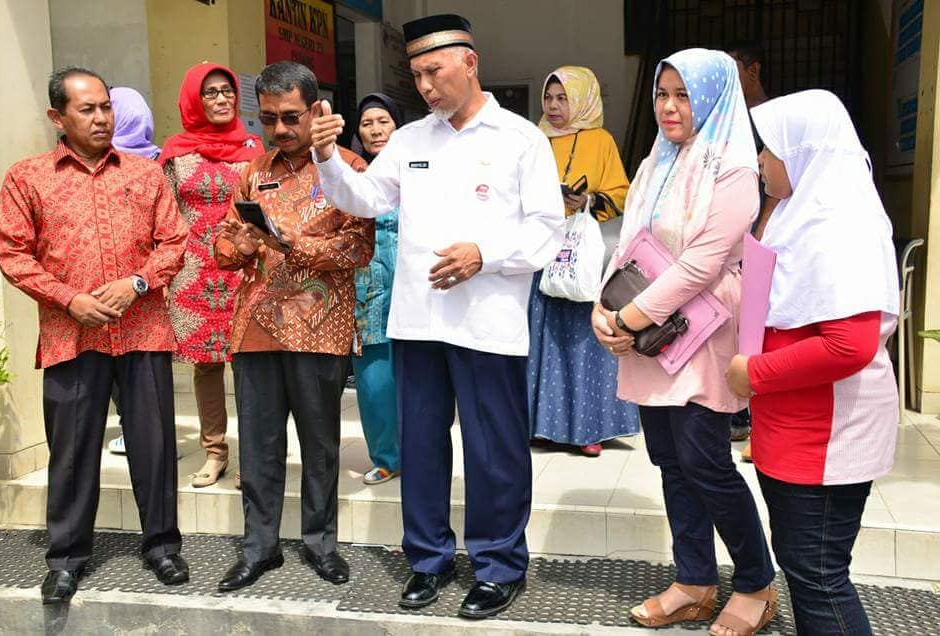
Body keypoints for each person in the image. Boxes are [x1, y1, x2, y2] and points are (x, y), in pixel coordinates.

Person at [310, 14, 564, 620]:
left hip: (488, 323)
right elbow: (366, 198)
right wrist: (327, 158)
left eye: (434, 71)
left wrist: (486, 255)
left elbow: (548, 230)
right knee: (422, 448)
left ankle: (498, 565)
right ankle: (428, 560)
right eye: (416, 74)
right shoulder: (411, 140)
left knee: (493, 449)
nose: (424, 86)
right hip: (419, 323)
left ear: (469, 63)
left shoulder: (519, 138)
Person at [591, 49, 776, 633]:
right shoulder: (657, 159)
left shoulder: (734, 168)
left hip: (700, 333)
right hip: (652, 335)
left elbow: (703, 261)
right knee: (670, 462)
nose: (670, 107)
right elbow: (629, 241)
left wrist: (630, 318)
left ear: (716, 96)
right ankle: (694, 580)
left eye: (684, 95)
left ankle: (755, 583)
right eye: (662, 94)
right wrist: (604, 305)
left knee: (707, 462)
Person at [0, 67, 189, 604]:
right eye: (88, 109)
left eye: (106, 106)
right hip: (70, 336)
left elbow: (174, 240)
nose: (102, 117)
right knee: (73, 451)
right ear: (57, 116)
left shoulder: (146, 175)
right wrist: (68, 298)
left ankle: (163, 547)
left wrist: (138, 282)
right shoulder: (27, 177)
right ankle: (66, 558)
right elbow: (11, 251)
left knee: (153, 446)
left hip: (142, 329)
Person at [726, 89, 900, 636]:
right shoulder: (798, 213)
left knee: (819, 575)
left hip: (826, 435)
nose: (760, 160)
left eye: (770, 148)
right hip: (795, 427)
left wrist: (751, 374)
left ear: (803, 151)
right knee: (806, 570)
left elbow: (851, 344)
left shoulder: (836, 223)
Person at [213, 61, 374, 592]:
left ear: (315, 111)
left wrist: (291, 244)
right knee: (257, 447)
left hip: (319, 329)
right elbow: (223, 244)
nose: (280, 130)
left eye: (290, 117)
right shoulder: (253, 172)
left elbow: (359, 247)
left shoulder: (346, 166)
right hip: (254, 328)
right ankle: (259, 548)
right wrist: (240, 243)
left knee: (319, 444)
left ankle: (320, 543)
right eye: (268, 119)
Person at [159, 63, 265, 488]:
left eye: (227, 91)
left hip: (244, 268)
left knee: (249, 366)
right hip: (193, 273)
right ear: (193, 100)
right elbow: (163, 215)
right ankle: (215, 452)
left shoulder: (254, 148)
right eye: (210, 93)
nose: (222, 99)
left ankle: (252, 460)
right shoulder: (174, 153)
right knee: (205, 367)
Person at [529, 66, 640, 457]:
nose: (554, 106)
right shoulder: (533, 139)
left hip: (582, 255)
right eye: (549, 98)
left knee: (582, 339)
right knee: (544, 341)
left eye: (564, 98)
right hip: (541, 252)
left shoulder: (600, 140)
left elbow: (622, 194)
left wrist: (587, 202)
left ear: (582, 100)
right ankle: (543, 426)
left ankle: (588, 428)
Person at [106, 86, 163, 456]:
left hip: (142, 289)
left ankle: (139, 431)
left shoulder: (153, 167)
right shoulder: (158, 159)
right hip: (116, 290)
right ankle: (135, 429)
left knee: (136, 369)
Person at [350, 92, 403, 485]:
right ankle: (386, 456)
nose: (375, 129)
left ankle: (419, 454)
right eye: (367, 123)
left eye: (383, 120)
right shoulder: (351, 176)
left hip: (412, 288)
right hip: (366, 290)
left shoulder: (416, 171)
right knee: (373, 379)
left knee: (417, 379)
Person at [726, 40, 775, 451]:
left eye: (732, 70)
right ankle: (739, 417)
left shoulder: (772, 121)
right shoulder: (726, 122)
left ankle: (758, 422)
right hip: (735, 243)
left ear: (752, 71)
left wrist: (761, 231)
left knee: (758, 331)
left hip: (762, 240)